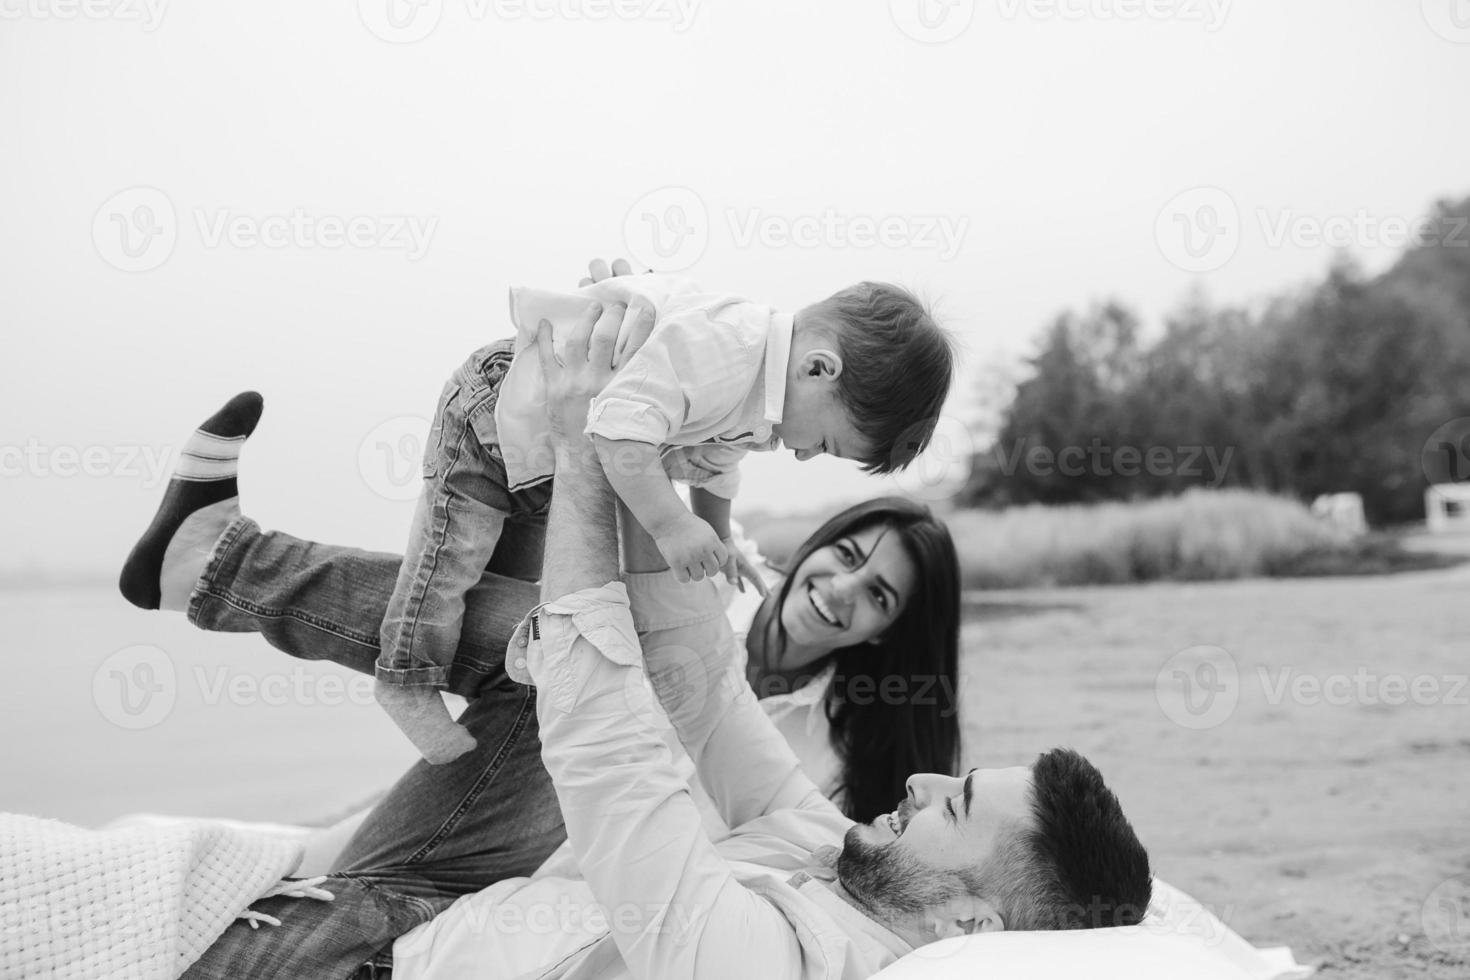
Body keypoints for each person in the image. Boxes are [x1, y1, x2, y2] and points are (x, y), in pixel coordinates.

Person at [118, 268, 964, 976]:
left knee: (556, 637)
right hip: (529, 767)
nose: (844, 590)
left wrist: (625, 434)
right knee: (542, 627)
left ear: (889, 633)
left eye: (880, 597)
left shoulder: (842, 771)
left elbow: (679, 823)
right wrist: (634, 350)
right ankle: (223, 573)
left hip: (566, 848)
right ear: (817, 541)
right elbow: (660, 490)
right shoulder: (723, 564)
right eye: (848, 556)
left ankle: (223, 568)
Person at [386, 305, 1153, 979]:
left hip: (394, 959)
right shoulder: (841, 852)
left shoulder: (777, 963)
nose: (926, 780)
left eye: (955, 809)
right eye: (959, 784)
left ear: (972, 924)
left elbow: (612, 765)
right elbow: (708, 689)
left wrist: (582, 445)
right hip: (438, 916)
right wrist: (631, 434)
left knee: (488, 627)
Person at [374, 266, 955, 762]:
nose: (803, 454)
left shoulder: (758, 394)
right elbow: (621, 433)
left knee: (508, 587)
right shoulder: (726, 350)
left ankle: (475, 687)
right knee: (445, 564)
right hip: (494, 420)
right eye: (824, 443)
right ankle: (404, 679)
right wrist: (672, 525)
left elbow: (717, 465)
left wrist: (717, 534)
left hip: (538, 464)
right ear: (819, 370)